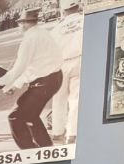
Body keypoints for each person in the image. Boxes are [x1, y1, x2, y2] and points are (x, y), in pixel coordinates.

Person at [0, 8, 63, 149]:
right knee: (31, 115)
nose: (19, 26)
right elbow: (33, 66)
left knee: (15, 116)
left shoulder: (29, 39)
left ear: (25, 23)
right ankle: (46, 148)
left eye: (20, 23)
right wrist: (15, 85)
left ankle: (29, 151)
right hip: (54, 77)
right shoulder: (43, 33)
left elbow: (19, 68)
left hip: (43, 82)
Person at [51, 0, 83, 144]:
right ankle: (72, 133)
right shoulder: (85, 20)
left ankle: (58, 132)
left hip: (61, 63)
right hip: (80, 59)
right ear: (78, 6)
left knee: (59, 98)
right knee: (75, 98)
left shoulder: (57, 28)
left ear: (63, 11)